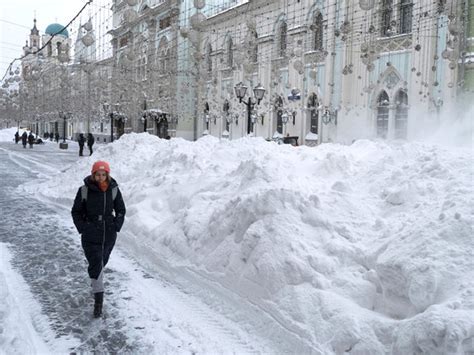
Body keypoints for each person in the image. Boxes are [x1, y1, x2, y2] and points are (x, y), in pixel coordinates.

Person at [71, 161, 126, 318]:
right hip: (90, 234)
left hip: (108, 234)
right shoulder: (84, 190)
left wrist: (116, 225)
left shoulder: (114, 190)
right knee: (96, 265)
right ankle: (98, 302)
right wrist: (83, 227)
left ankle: (95, 282)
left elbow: (121, 209)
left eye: (103, 174)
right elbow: (76, 211)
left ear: (107, 175)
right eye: (97, 174)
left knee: (101, 263)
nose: (100, 177)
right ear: (93, 174)